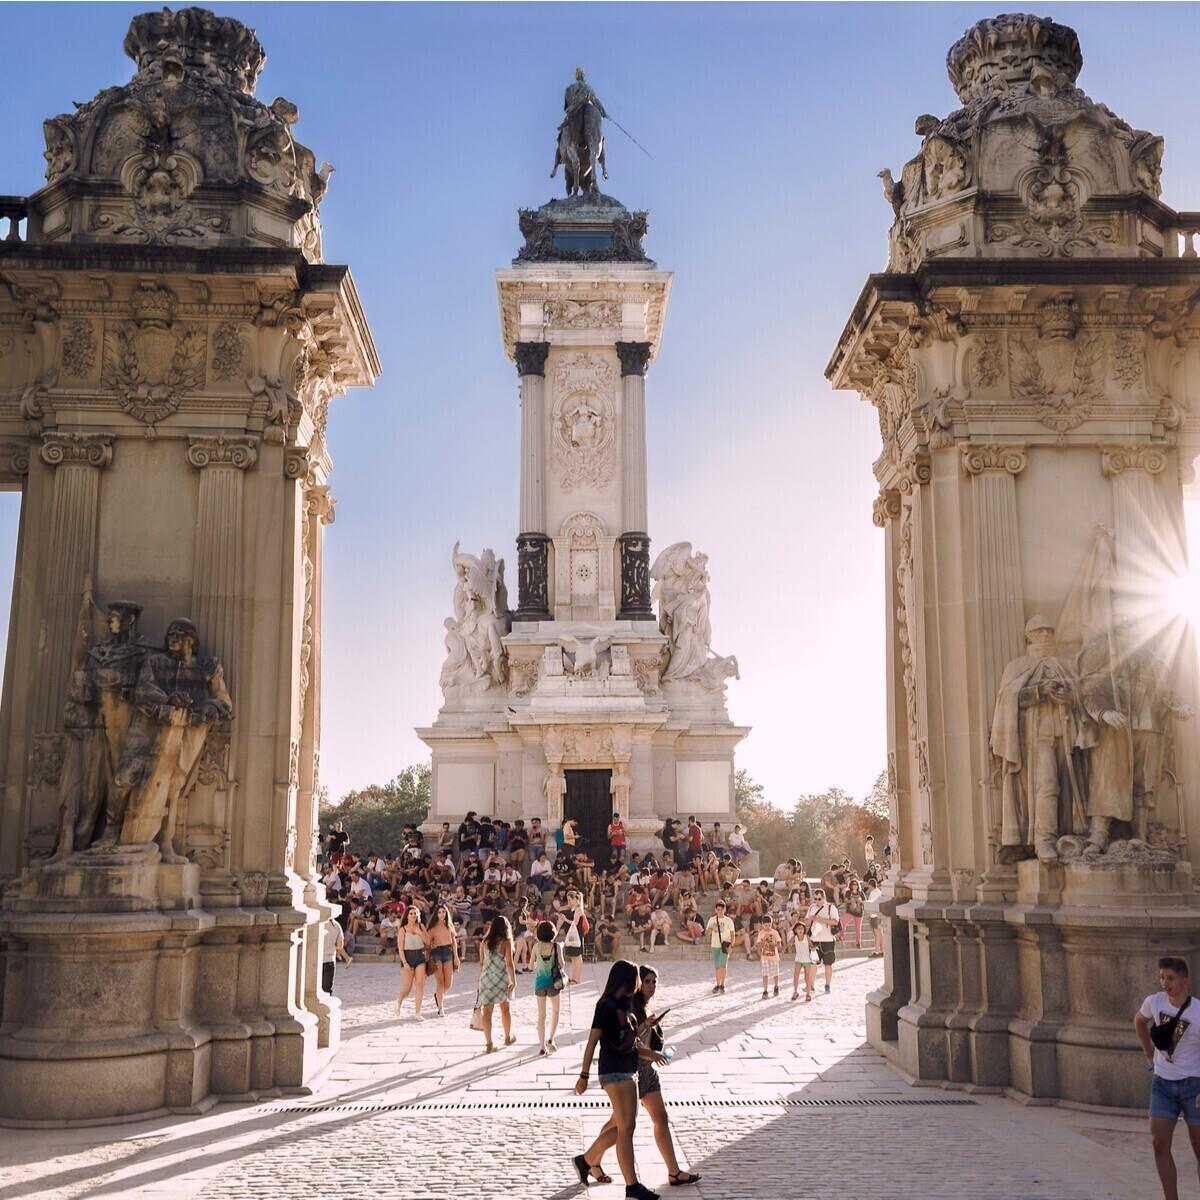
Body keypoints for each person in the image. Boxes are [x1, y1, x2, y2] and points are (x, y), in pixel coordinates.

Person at [573, 960, 663, 1200]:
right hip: (614, 1071)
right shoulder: (606, 1005)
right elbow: (592, 1041)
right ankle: (631, 1186)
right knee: (626, 1128)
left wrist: (651, 1053)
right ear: (626, 979)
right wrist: (583, 1075)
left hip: (628, 1068)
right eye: (636, 978)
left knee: (626, 1126)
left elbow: (630, 1043)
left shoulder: (626, 1006)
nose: (638, 983)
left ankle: (587, 1160)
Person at [1136, 956, 1200, 1200]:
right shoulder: (1154, 1002)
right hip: (1162, 1084)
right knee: (1159, 1144)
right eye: (1162, 977)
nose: (1165, 983)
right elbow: (1139, 1022)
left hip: (1193, 1084)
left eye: (1170, 978)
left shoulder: (1197, 1011)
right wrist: (1148, 1054)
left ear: (1185, 981)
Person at [630, 967, 700, 1187]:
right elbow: (632, 1041)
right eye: (647, 981)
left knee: (661, 1118)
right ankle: (589, 1159)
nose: (651, 986)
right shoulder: (632, 1006)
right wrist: (646, 1030)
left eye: (654, 982)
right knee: (619, 1125)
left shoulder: (646, 1005)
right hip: (634, 1072)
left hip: (649, 1071)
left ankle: (674, 1172)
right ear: (639, 983)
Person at [476, 915, 517, 1053]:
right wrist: (514, 980)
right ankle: (507, 1037)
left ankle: (489, 1044)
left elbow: (481, 963)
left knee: (487, 1011)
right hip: (501, 979)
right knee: (505, 1009)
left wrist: (479, 981)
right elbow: (510, 964)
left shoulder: (484, 942)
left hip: (486, 979)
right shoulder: (506, 942)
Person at [532, 919, 564, 1055]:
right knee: (556, 1011)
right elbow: (562, 964)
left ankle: (541, 1047)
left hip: (539, 983)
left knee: (541, 1015)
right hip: (553, 983)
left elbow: (530, 965)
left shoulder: (536, 947)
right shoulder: (556, 947)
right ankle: (551, 1039)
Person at [426, 904, 460, 1017]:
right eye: (439, 912)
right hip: (436, 954)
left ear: (446, 913)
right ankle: (441, 1008)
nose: (441, 914)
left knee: (448, 984)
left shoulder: (449, 926)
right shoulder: (432, 928)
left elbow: (454, 942)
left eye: (443, 912)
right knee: (440, 982)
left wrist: (456, 957)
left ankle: (438, 995)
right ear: (436, 914)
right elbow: (427, 943)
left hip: (448, 952)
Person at [395, 907, 428, 1020]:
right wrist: (405, 962)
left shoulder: (421, 927)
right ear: (407, 916)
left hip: (420, 956)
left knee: (420, 984)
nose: (413, 915)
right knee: (407, 987)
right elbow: (400, 948)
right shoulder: (402, 930)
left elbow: (427, 942)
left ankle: (417, 1012)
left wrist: (419, 932)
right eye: (411, 913)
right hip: (408, 958)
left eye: (415, 913)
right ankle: (399, 1001)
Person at [806, 887, 839, 994]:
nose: (817, 901)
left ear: (824, 898)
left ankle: (827, 985)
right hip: (815, 939)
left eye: (819, 899)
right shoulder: (811, 907)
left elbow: (835, 922)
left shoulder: (831, 908)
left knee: (828, 964)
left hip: (828, 940)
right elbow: (806, 923)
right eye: (815, 899)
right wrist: (810, 919)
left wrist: (821, 920)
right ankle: (811, 986)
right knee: (813, 963)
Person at [704, 901, 735, 994]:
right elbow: (707, 933)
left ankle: (722, 984)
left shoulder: (728, 920)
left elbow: (733, 934)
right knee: (717, 966)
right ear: (715, 910)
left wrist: (731, 946)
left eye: (721, 910)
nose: (720, 911)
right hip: (715, 945)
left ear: (724, 910)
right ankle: (718, 984)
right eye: (718, 910)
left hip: (725, 944)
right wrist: (711, 929)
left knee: (723, 965)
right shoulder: (712, 920)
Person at [559, 889, 588, 984]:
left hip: (577, 935)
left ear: (575, 899)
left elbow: (575, 923)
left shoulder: (578, 909)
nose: (569, 902)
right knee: (573, 957)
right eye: (568, 900)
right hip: (572, 936)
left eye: (570, 899)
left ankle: (577, 978)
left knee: (577, 957)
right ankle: (573, 977)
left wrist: (565, 919)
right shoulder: (571, 909)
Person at [789, 919, 817, 1002]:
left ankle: (808, 994)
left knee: (807, 978)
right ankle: (795, 992)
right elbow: (788, 944)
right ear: (795, 930)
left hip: (807, 960)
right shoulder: (795, 937)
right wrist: (783, 950)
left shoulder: (806, 937)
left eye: (802, 928)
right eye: (798, 928)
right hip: (798, 959)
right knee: (795, 977)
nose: (800, 930)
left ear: (804, 929)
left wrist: (813, 948)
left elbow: (812, 946)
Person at [756, 920, 782, 998]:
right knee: (765, 973)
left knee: (775, 972)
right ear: (762, 925)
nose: (767, 927)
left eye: (769, 925)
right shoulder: (761, 933)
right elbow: (759, 945)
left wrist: (775, 944)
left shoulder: (775, 932)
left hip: (774, 956)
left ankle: (776, 986)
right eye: (765, 925)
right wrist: (764, 939)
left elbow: (779, 944)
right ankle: (765, 990)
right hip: (764, 956)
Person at [321, 913, 344, 995]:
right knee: (327, 990)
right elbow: (340, 946)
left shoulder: (317, 924)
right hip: (330, 960)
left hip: (316, 960)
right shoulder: (336, 925)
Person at [842, 879, 866, 948]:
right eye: (853, 884)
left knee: (858, 928)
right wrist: (850, 900)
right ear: (851, 885)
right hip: (850, 911)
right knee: (843, 922)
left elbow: (865, 901)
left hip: (859, 912)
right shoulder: (848, 892)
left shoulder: (861, 892)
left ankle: (858, 942)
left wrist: (860, 901)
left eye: (856, 884)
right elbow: (845, 901)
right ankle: (841, 936)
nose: (855, 886)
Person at [866, 880, 884, 957]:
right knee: (880, 933)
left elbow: (871, 903)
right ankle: (882, 950)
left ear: (870, 885)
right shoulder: (879, 892)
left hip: (874, 915)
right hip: (879, 914)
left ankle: (877, 951)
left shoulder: (873, 893)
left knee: (877, 933)